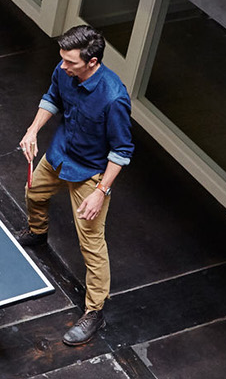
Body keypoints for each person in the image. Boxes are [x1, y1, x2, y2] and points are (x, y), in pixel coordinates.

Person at [16, 25, 134, 346]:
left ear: (92, 62)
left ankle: (94, 311)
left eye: (70, 62)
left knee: (91, 244)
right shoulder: (64, 69)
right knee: (34, 192)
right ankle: (38, 233)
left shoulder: (114, 98)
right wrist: (33, 130)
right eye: (62, 60)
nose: (63, 67)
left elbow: (121, 151)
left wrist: (100, 192)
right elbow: (52, 98)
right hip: (60, 153)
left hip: (91, 173)